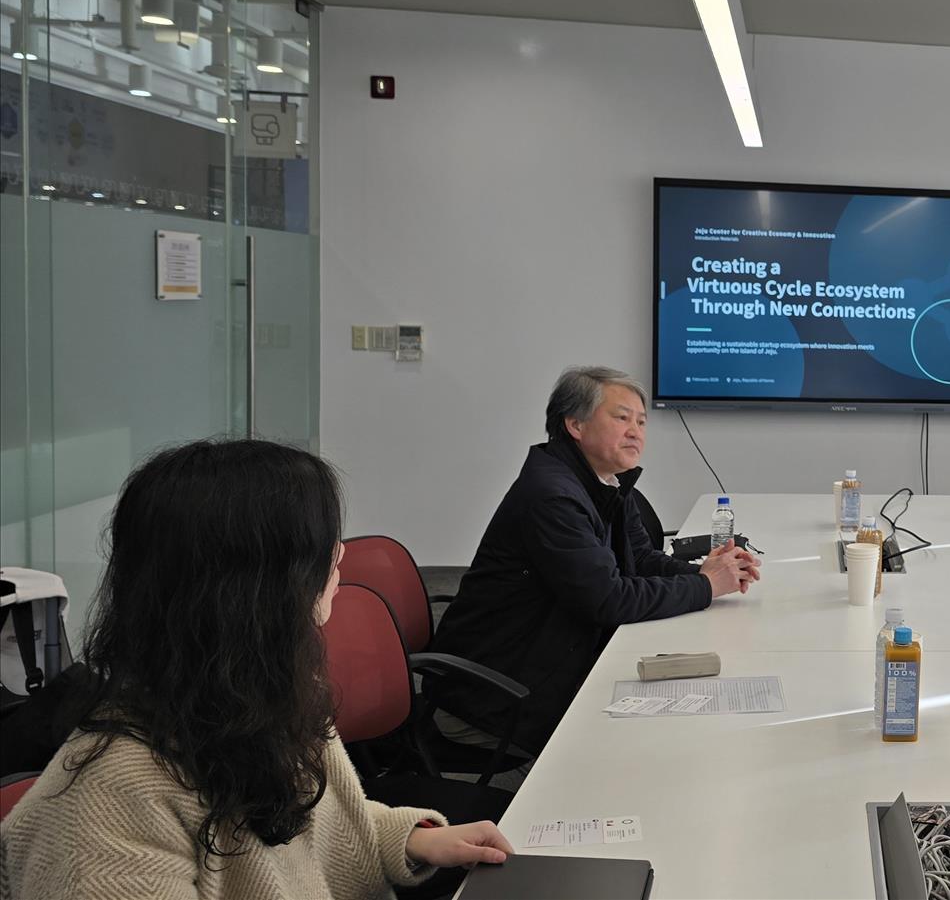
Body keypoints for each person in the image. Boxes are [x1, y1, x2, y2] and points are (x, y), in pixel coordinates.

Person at [0, 439, 513, 899]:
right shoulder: (106, 815)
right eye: (320, 545)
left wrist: (413, 840)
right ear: (256, 589)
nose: (339, 554)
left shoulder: (258, 698)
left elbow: (322, 831)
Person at [427, 366, 760, 753]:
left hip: (546, 663)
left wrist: (708, 572)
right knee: (658, 744)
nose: (636, 432)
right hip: (495, 698)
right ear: (575, 425)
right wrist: (705, 585)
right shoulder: (552, 496)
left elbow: (639, 559)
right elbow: (607, 600)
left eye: (641, 421)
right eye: (622, 418)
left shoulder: (605, 480)